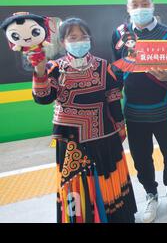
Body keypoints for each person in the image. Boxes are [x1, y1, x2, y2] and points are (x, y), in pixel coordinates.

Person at [26, 18, 137, 223]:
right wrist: (39, 70)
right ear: (63, 42)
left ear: (90, 40)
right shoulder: (53, 68)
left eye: (83, 37)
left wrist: (121, 128)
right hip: (71, 142)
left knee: (109, 179)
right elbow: (43, 98)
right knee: (75, 185)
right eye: (73, 37)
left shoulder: (104, 67)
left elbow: (113, 100)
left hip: (105, 136)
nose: (79, 41)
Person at [110, 0, 167, 223]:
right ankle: (151, 194)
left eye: (144, 3)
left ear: (152, 4)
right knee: (141, 159)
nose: (140, 8)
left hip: (164, 109)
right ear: (127, 8)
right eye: (135, 5)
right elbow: (116, 72)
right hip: (133, 112)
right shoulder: (119, 35)